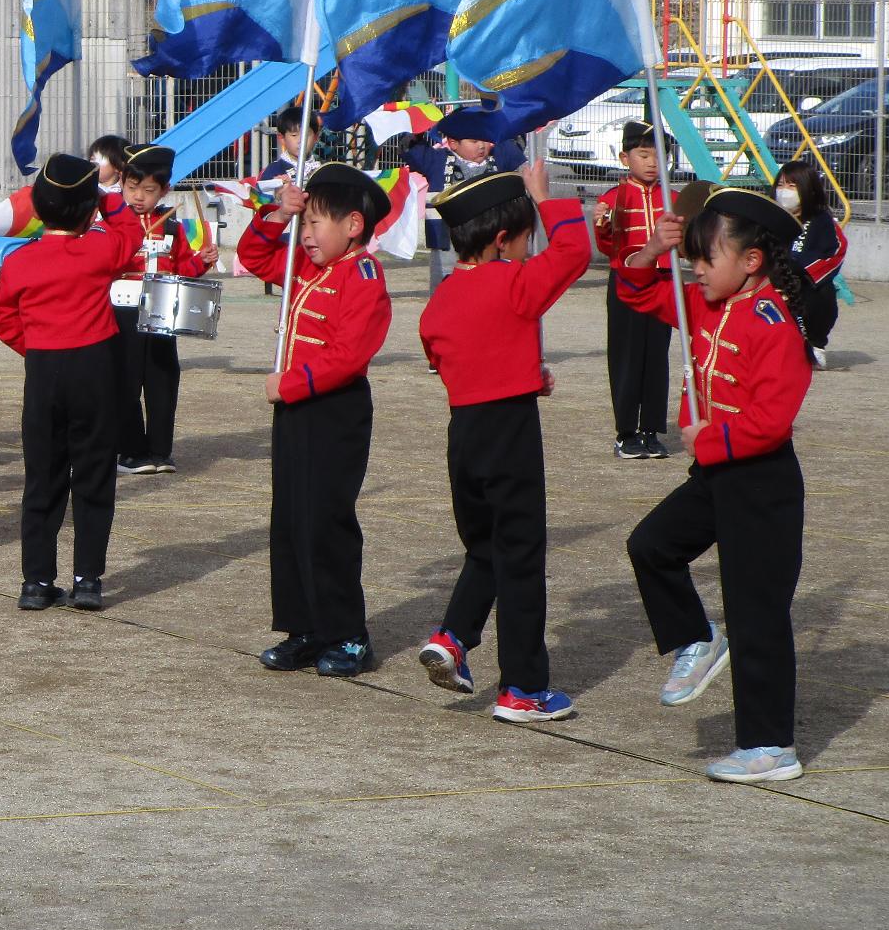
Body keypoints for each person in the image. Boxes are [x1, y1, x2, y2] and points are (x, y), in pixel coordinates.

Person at [616, 188, 814, 783]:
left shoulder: (774, 322)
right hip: (715, 475)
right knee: (650, 546)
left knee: (758, 616)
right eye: (693, 256)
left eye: (707, 257)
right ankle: (697, 639)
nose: (695, 269)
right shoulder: (705, 302)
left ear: (750, 262)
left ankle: (770, 745)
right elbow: (639, 291)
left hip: (759, 482)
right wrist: (655, 246)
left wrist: (703, 438)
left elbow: (770, 421)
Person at [415, 160, 589, 722]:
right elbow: (574, 254)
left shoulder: (441, 296)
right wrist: (546, 197)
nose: (528, 246)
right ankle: (523, 688)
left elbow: (445, 356)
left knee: (485, 547)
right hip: (509, 432)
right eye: (523, 237)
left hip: (463, 432)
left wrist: (519, 372)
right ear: (500, 240)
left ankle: (453, 635)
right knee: (520, 558)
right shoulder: (512, 280)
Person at [236, 162, 392, 678]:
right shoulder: (305, 267)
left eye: (314, 224)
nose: (305, 236)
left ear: (352, 226)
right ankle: (303, 626)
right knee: (291, 519)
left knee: (326, 522)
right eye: (303, 226)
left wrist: (287, 384)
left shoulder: (363, 275)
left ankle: (348, 634)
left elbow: (348, 357)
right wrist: (280, 212)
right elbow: (252, 255)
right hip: (296, 410)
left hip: (334, 411)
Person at [0, 153, 144, 613]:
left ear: (37, 207)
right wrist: (102, 195)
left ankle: (36, 581)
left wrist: (37, 347)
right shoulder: (98, 249)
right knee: (94, 474)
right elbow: (133, 233)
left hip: (43, 370)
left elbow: (3, 321)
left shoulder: (19, 259)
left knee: (43, 475)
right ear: (88, 209)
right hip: (94, 368)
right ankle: (87, 580)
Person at [111, 142, 217, 475]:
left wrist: (201, 263)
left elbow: (183, 268)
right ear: (122, 184)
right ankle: (130, 452)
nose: (139, 196)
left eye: (148, 190)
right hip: (124, 309)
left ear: (164, 191)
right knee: (125, 381)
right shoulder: (111, 222)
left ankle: (160, 451)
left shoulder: (172, 227)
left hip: (163, 311)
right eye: (132, 188)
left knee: (163, 379)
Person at [593, 120, 673, 458]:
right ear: (625, 158)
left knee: (657, 357)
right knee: (626, 356)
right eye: (644, 154)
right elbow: (605, 245)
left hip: (663, 282)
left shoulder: (673, 197)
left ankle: (651, 429)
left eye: (659, 155)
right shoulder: (612, 197)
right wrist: (603, 223)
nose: (653, 162)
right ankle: (626, 431)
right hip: (626, 283)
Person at [404, 107, 526, 297]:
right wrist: (418, 126)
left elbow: (514, 146)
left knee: (490, 284)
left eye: (486, 139)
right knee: (445, 284)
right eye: (474, 141)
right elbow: (411, 150)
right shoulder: (437, 161)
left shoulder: (499, 159)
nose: (482, 146)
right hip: (447, 240)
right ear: (452, 143)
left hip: (490, 238)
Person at [777, 159, 847, 370]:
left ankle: (814, 343)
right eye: (780, 185)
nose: (784, 191)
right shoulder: (769, 216)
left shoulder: (821, 220)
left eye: (792, 185)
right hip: (772, 282)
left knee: (824, 293)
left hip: (806, 284)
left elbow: (834, 251)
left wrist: (799, 266)